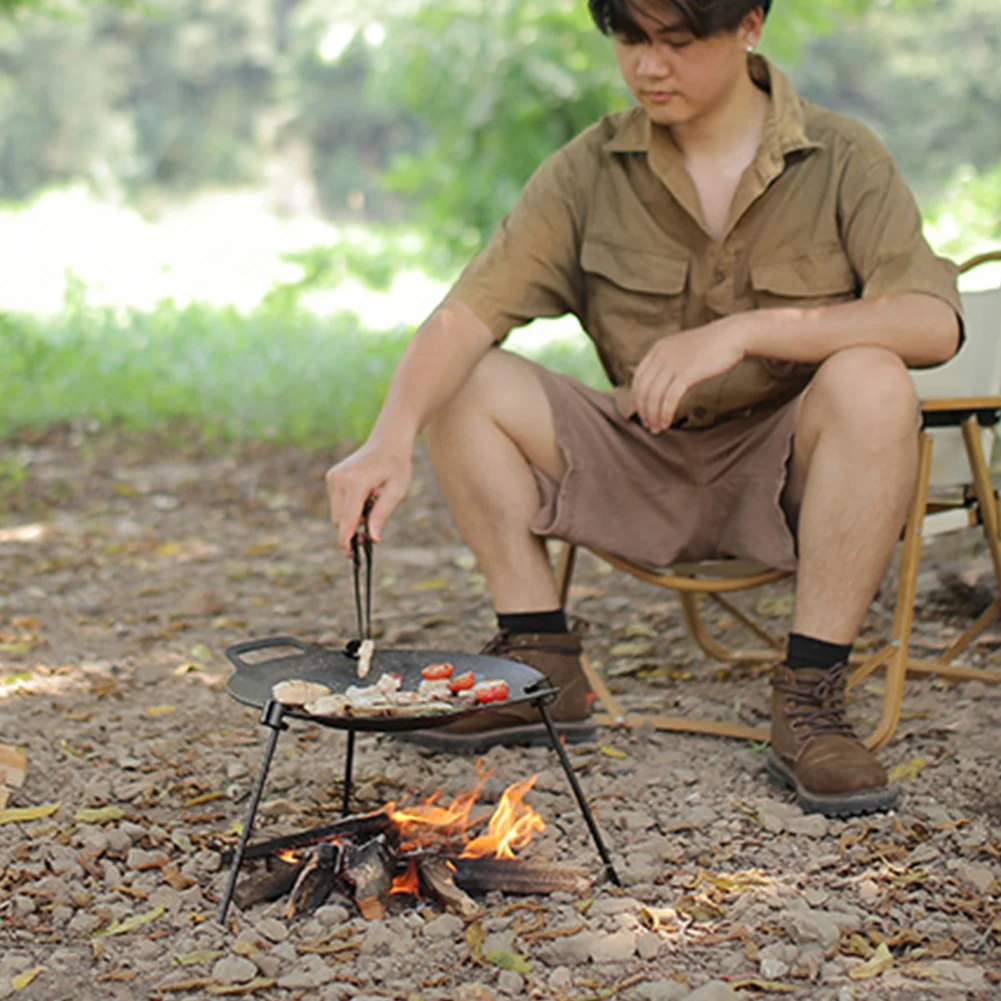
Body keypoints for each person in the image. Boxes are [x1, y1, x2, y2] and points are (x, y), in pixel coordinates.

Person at [325, 0, 962, 817]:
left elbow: (930, 321)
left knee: (872, 376)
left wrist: (746, 330)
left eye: (677, 40)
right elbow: (465, 312)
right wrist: (386, 441)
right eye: (629, 39)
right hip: (641, 455)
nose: (647, 67)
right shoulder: (591, 167)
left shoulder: (841, 157)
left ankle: (810, 698)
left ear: (749, 26)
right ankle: (539, 660)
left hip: (784, 466)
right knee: (465, 375)